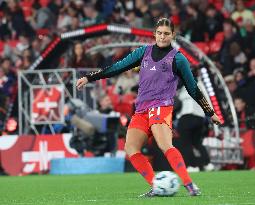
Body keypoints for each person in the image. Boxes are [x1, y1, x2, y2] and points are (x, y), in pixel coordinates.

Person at [76, 18, 222, 197]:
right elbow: (117, 67)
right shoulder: (143, 52)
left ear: (173, 35)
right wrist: (90, 77)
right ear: (154, 34)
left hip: (161, 107)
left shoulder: (178, 58)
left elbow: (193, 88)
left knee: (164, 144)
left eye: (166, 33)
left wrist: (210, 112)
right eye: (159, 33)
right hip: (141, 110)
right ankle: (156, 185)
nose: (162, 36)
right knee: (130, 149)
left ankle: (189, 184)